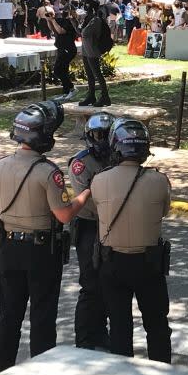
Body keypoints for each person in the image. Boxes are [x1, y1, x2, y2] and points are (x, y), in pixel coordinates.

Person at [0, 101, 87, 375]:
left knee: (9, 315)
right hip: (40, 252)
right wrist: (84, 197)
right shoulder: (48, 172)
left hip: (8, 247)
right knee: (42, 316)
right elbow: (64, 215)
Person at [75, 118, 173, 362]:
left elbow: (99, 211)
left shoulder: (99, 180)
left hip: (113, 263)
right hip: (149, 263)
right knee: (157, 325)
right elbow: (164, 211)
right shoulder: (160, 181)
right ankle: (163, 373)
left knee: (119, 325)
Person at [67, 112, 113, 350]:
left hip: (111, 226)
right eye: (98, 135)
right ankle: (84, 337)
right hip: (89, 226)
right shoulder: (80, 163)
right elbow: (90, 201)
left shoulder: (118, 157)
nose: (102, 140)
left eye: (106, 135)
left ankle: (100, 331)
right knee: (90, 283)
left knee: (107, 282)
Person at [79, 0, 111, 107]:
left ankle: (105, 97)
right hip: (85, 49)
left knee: (97, 74)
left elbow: (85, 33)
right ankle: (91, 96)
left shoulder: (96, 19)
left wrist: (82, 26)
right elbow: (80, 32)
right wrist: (74, 19)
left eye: (87, 6)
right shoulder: (89, 18)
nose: (85, 8)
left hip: (92, 50)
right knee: (89, 75)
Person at [45, 6, 79, 100]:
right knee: (63, 70)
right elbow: (54, 29)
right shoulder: (61, 20)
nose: (63, 12)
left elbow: (60, 31)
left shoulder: (71, 22)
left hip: (68, 49)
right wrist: (49, 20)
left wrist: (53, 20)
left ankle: (71, 88)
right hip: (61, 48)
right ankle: (66, 92)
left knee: (58, 70)